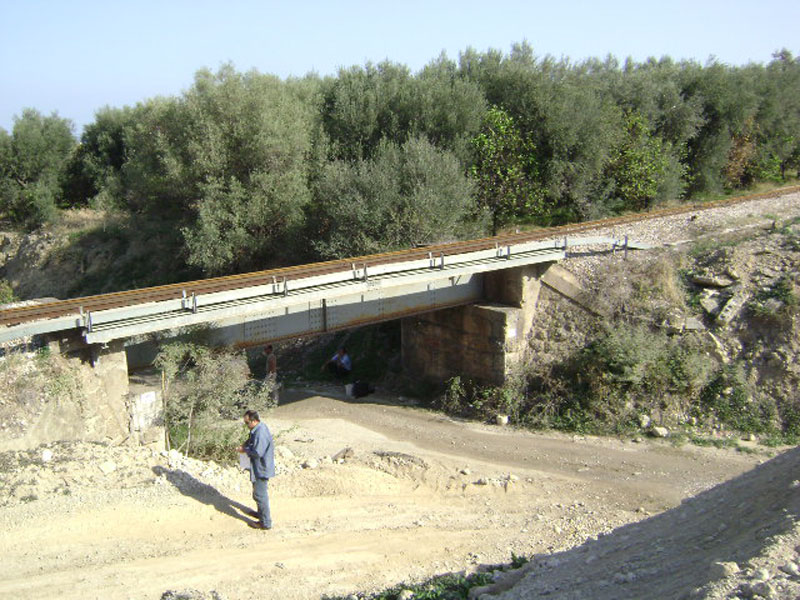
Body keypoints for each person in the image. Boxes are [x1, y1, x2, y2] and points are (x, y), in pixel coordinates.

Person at [237, 410, 275, 530]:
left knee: (260, 495)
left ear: (254, 421)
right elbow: (252, 442)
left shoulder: (260, 432)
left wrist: (245, 451)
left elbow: (258, 452)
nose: (246, 425)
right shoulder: (257, 429)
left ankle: (265, 523)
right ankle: (261, 514)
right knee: (258, 493)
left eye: (247, 423)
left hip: (261, 469)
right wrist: (245, 445)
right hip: (258, 468)